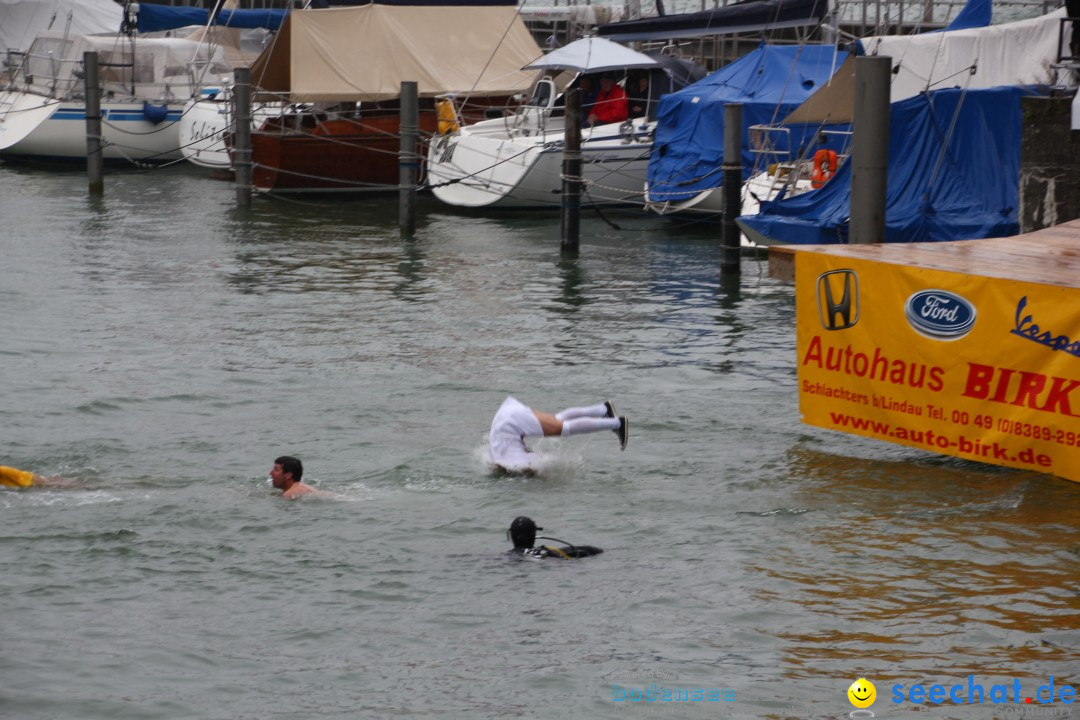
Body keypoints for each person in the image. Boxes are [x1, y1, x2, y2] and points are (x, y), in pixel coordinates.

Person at [488, 395, 628, 474]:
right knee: (558, 419)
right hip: (505, 415)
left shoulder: (516, 465)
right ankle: (603, 409)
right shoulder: (501, 456)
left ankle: (618, 423)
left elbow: (533, 467)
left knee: (565, 429)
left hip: (511, 422)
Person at [507, 516, 603, 559]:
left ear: (512, 535)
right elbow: (582, 552)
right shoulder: (543, 552)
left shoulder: (507, 556)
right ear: (533, 534)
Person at [0, 465, 80, 489]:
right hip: (30, 479)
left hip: (32, 482)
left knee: (69, 486)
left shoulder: (2, 470)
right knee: (54, 482)